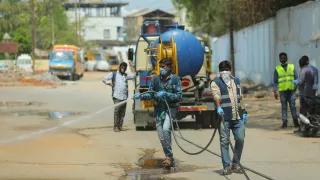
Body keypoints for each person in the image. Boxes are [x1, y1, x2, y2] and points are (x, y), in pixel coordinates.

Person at [134, 58, 182, 169]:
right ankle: (168, 155)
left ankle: (169, 158)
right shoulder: (155, 79)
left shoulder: (175, 79)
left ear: (169, 67)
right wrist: (141, 96)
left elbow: (179, 96)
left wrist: (166, 94)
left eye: (164, 67)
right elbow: (150, 94)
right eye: (160, 67)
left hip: (170, 109)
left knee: (166, 129)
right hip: (159, 111)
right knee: (161, 136)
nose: (161, 69)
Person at [211, 60, 247, 175]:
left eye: (226, 70)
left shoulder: (236, 81)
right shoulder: (215, 82)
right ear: (220, 71)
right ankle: (226, 166)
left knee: (240, 139)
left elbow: (240, 97)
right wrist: (218, 107)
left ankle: (236, 164)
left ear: (230, 70)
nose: (225, 72)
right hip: (224, 117)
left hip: (237, 117)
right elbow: (216, 96)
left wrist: (244, 111)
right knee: (224, 142)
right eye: (222, 70)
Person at [103, 62, 135, 132]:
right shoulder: (114, 74)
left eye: (124, 68)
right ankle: (115, 127)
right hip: (117, 96)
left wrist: (138, 71)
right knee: (117, 112)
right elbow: (104, 79)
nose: (123, 69)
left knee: (122, 112)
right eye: (122, 67)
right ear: (120, 67)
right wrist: (108, 83)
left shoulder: (126, 76)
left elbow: (133, 76)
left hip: (124, 97)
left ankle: (120, 126)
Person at [273, 52, 299, 128]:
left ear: (286, 58)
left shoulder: (292, 66)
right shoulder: (277, 68)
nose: (283, 59)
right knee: (284, 107)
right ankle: (284, 123)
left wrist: (295, 87)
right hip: (282, 92)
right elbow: (275, 81)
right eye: (281, 58)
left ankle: (296, 122)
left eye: (284, 57)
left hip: (291, 91)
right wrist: (275, 91)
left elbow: (296, 78)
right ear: (279, 59)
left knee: (293, 106)